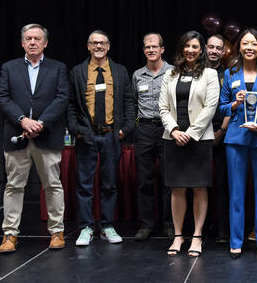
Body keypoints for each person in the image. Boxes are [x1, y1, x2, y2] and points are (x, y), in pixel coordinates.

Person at [0, 24, 68, 253]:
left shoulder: (58, 68)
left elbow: (62, 97)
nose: (33, 42)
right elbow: (2, 97)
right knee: (14, 186)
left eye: (37, 38)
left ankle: (57, 231)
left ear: (45, 43)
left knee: (53, 185)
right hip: (16, 135)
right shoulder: (9, 67)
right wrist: (22, 120)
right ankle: (9, 235)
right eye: (28, 38)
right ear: (22, 43)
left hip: (47, 136)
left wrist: (40, 123)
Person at [67, 30, 135, 246]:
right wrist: (76, 129)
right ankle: (86, 227)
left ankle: (106, 225)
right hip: (86, 136)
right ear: (88, 46)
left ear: (108, 46)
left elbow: (128, 102)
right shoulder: (78, 71)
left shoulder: (120, 71)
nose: (98, 46)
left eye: (102, 43)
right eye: (94, 43)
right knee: (84, 185)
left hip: (111, 135)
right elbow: (70, 104)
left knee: (110, 184)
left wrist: (125, 129)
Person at [218, 28, 257, 260]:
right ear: (239, 47)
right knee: (236, 192)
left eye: (254, 43)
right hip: (236, 138)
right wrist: (235, 104)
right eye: (245, 43)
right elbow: (221, 107)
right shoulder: (230, 73)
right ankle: (236, 241)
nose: (249, 47)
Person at [159, 31, 219, 257]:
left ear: (201, 49)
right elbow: (163, 107)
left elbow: (210, 108)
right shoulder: (170, 74)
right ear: (181, 49)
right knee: (177, 188)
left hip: (199, 139)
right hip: (173, 137)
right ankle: (178, 235)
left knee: (199, 188)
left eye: (195, 46)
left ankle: (196, 235)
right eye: (187, 46)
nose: (190, 50)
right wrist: (174, 130)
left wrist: (190, 133)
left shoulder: (210, 74)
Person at [131, 32, 174, 241]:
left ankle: (169, 224)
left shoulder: (173, 72)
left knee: (169, 180)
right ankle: (146, 225)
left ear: (162, 49)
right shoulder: (137, 75)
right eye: (147, 47)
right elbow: (133, 101)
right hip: (145, 130)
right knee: (144, 181)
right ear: (144, 50)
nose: (151, 50)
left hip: (167, 130)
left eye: (155, 46)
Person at [206, 34, 231, 243]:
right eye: (211, 47)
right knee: (200, 184)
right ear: (206, 48)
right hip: (199, 134)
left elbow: (233, 105)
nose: (214, 51)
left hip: (222, 134)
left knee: (223, 184)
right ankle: (203, 228)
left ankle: (223, 229)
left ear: (224, 52)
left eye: (218, 48)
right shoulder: (196, 73)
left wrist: (221, 131)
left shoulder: (228, 74)